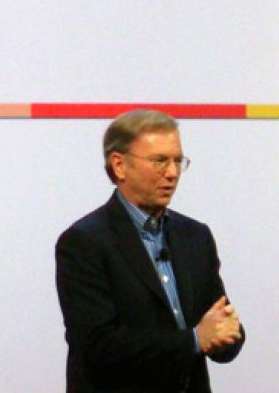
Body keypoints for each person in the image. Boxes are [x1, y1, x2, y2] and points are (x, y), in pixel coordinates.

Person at [56, 109, 245, 392]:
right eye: (159, 161)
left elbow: (220, 323)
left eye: (177, 161)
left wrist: (227, 335)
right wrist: (194, 340)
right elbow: (97, 347)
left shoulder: (195, 236)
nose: (172, 173)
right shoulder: (84, 242)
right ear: (119, 165)